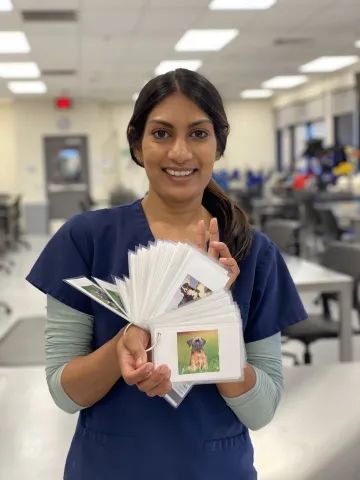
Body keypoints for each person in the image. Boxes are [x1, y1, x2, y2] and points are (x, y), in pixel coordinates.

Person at [26, 68, 307, 479]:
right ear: (137, 144)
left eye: (198, 133)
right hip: (109, 466)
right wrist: (127, 340)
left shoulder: (253, 253)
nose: (179, 152)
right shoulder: (85, 240)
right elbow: (66, 393)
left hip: (214, 467)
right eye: (161, 133)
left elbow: (261, 410)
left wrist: (210, 317)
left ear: (219, 143)